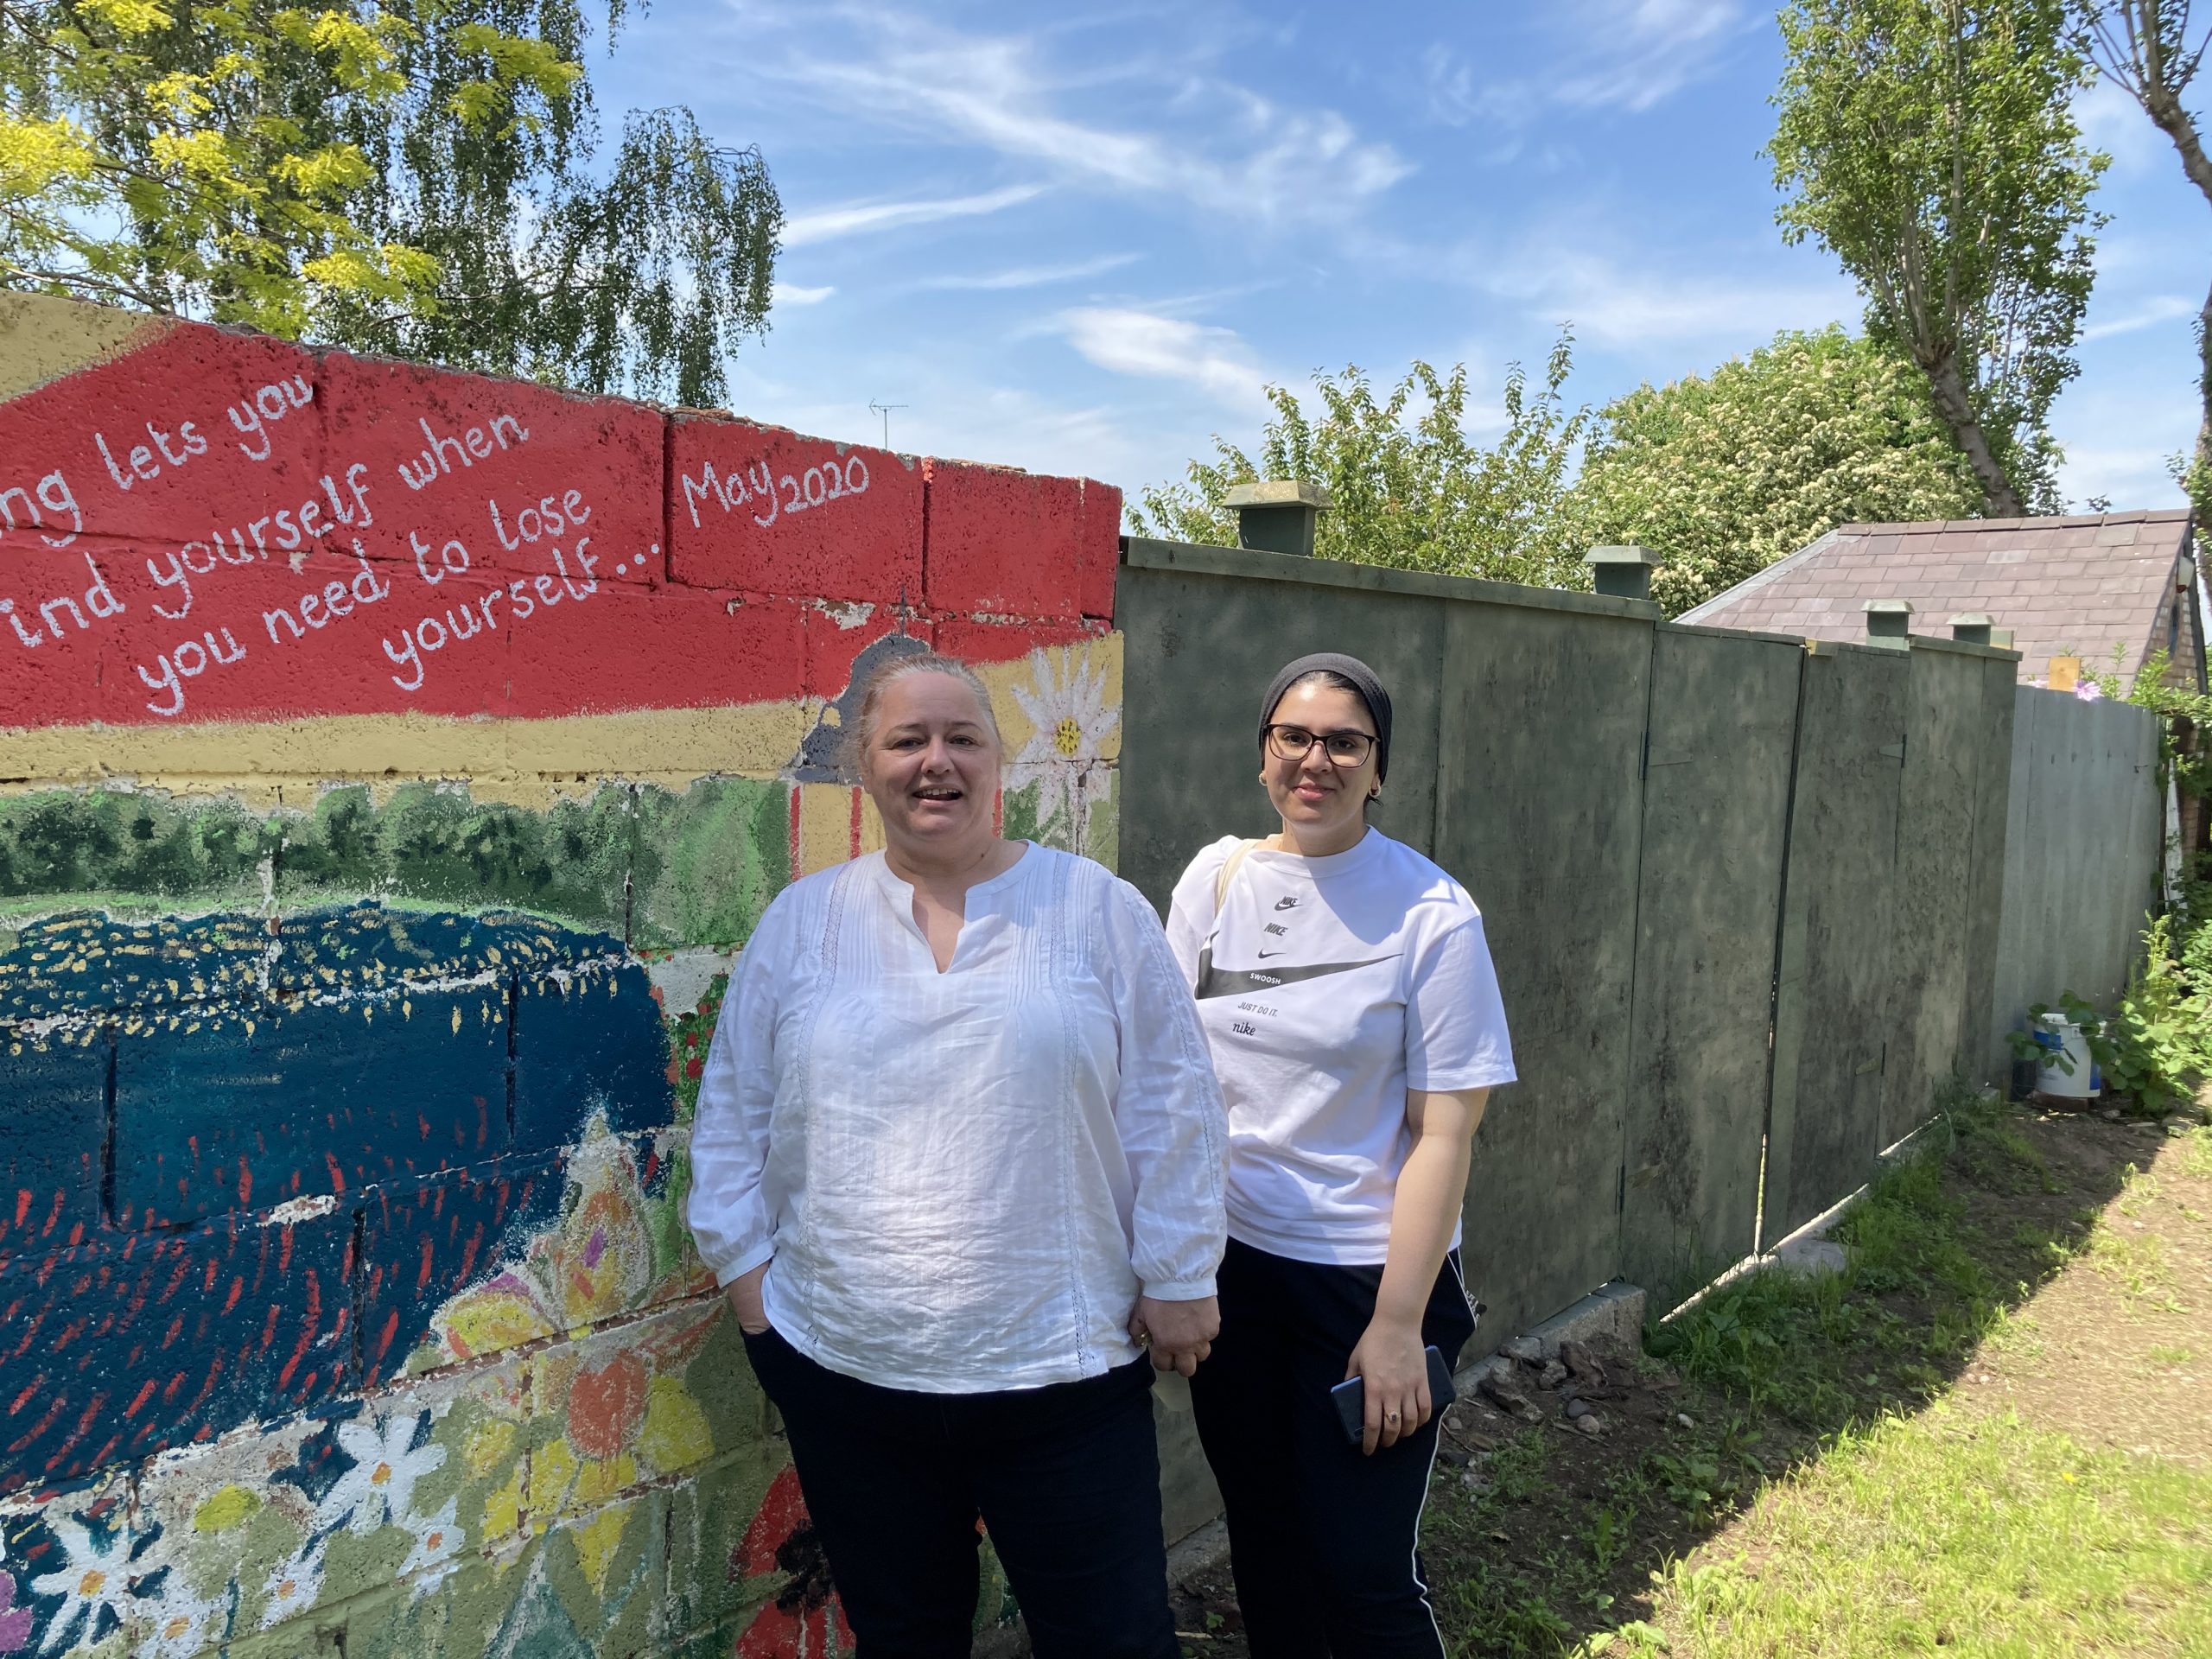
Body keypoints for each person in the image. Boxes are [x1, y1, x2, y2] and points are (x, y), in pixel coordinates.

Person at [687, 650, 1227, 1659]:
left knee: (1114, 1641)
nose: (935, 762)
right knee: (904, 1636)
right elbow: (734, 1114)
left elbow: (1174, 1102)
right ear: (865, 765)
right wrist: (753, 1294)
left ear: (998, 761)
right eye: (907, 740)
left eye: (961, 738)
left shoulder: (1095, 910)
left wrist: (1181, 1268)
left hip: (1061, 1372)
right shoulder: (805, 922)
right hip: (848, 1370)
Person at [1165, 652, 1516, 1658]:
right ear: (1264, 752)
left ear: (1377, 765)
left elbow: (1445, 1131)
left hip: (1364, 1281)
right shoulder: (1215, 878)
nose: (1315, 761)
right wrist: (1173, 1262)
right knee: (1268, 1548)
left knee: (1359, 1571)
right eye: (1294, 737)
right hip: (1233, 1274)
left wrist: (1399, 1324)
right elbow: (1174, 1080)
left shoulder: (1431, 914)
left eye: (1344, 743)